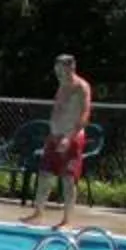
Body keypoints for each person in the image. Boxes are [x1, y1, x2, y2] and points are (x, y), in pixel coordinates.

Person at [23, 53, 94, 229]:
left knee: (68, 179)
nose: (58, 74)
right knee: (45, 175)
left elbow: (85, 115)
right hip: (55, 136)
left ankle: (67, 221)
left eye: (61, 70)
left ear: (71, 67)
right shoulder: (62, 85)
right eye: (56, 70)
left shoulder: (81, 87)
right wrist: (53, 132)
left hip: (72, 137)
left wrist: (69, 137)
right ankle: (38, 213)